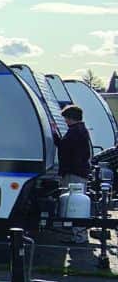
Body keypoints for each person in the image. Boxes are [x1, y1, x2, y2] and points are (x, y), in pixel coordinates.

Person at [54, 104, 92, 244]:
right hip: (79, 171)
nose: (65, 121)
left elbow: (64, 148)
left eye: (66, 118)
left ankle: (79, 237)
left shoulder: (75, 132)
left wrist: (54, 134)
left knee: (75, 205)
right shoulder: (80, 130)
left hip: (74, 173)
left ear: (71, 118)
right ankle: (77, 235)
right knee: (75, 204)